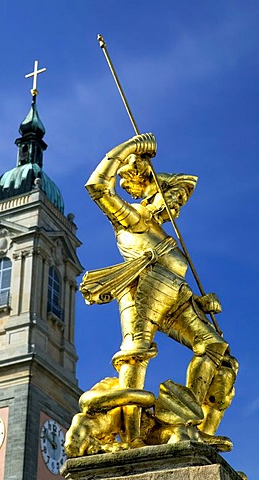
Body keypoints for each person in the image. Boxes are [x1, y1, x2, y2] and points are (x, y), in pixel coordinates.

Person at [81, 133, 237, 450]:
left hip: (176, 297)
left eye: (181, 200)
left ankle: (189, 421)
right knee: (135, 355)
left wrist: (200, 301)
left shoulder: (165, 234)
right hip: (143, 290)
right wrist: (130, 148)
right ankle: (132, 437)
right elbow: (97, 187)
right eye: (174, 197)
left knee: (216, 350)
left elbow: (174, 275)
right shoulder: (133, 219)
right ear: (154, 192)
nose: (177, 205)